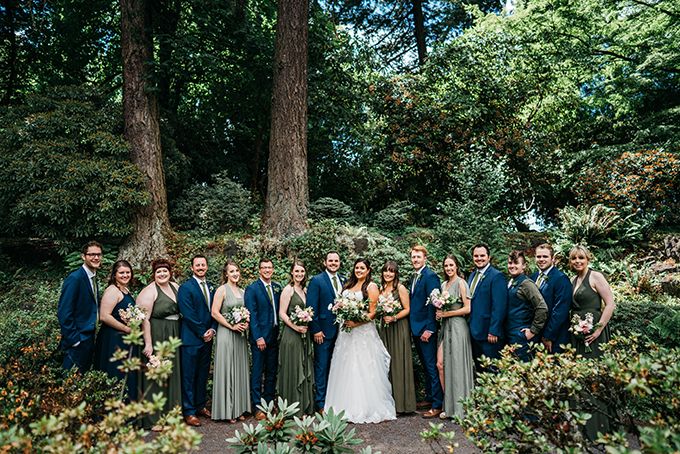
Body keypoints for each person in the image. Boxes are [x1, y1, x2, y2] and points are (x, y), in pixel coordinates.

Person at [324, 258, 396, 423]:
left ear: (368, 270)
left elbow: (373, 313)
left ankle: (365, 407)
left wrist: (356, 322)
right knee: (345, 366)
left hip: (362, 333)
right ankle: (343, 406)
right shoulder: (348, 285)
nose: (359, 270)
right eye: (357, 268)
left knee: (363, 367)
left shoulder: (371, 287)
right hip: (346, 334)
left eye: (362, 268)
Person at [569, 244, 616, 439]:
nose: (578, 261)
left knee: (595, 378)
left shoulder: (596, 277)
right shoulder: (573, 280)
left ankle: (601, 428)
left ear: (588, 259)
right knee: (580, 378)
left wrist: (598, 329)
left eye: (581, 258)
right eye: (574, 259)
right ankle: (584, 428)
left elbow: (610, 303)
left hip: (595, 335)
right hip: (578, 336)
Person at [137, 258, 182, 430]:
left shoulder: (176, 287)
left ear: (170, 272)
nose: (162, 274)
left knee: (172, 373)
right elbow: (144, 320)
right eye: (158, 272)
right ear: (154, 274)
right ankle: (154, 418)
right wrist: (148, 344)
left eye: (165, 271)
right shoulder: (149, 291)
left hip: (174, 333)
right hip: (157, 333)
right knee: (156, 375)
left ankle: (171, 415)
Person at [177, 255, 216, 427]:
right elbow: (188, 313)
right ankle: (189, 411)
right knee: (189, 375)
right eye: (197, 265)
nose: (200, 267)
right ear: (192, 268)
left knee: (202, 374)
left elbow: (216, 310)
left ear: (207, 267)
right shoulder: (185, 288)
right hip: (191, 339)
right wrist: (202, 332)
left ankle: (200, 405)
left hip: (208, 338)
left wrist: (213, 329)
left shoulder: (212, 287)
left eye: (203, 264)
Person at [210, 261, 250, 423]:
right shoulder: (222, 290)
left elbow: (246, 312)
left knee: (239, 368)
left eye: (237, 271)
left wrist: (246, 322)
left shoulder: (243, 291)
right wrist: (231, 326)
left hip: (240, 335)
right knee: (228, 368)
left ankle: (239, 408)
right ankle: (227, 410)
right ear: (226, 274)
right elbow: (214, 312)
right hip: (226, 333)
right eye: (231, 271)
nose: (235, 274)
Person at [93, 259, 138, 401]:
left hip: (123, 338)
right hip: (113, 338)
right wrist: (126, 328)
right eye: (121, 273)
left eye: (128, 272)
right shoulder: (112, 290)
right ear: (114, 274)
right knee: (115, 371)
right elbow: (104, 316)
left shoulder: (125, 289)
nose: (125, 275)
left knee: (125, 372)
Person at [435, 255, 474, 419]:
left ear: (456, 266)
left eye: (451, 265)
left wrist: (446, 313)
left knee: (457, 365)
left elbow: (467, 309)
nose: (448, 268)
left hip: (458, 326)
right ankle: (448, 405)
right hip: (446, 327)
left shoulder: (461, 283)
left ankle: (460, 408)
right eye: (446, 265)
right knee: (441, 364)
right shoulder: (443, 284)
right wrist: (439, 313)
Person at [408, 245, 443, 418]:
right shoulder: (414, 277)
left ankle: (437, 405)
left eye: (418, 257)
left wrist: (430, 328)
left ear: (425, 259)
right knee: (425, 366)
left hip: (426, 329)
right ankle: (429, 397)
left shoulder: (430, 276)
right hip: (415, 328)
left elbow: (434, 304)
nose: (415, 260)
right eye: (413, 257)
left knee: (431, 367)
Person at [377, 260, 416, 414]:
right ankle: (389, 403)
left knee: (399, 362)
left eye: (391, 271)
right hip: (385, 329)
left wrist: (394, 317)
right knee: (386, 363)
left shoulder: (400, 288)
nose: (388, 274)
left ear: (395, 273)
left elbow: (407, 309)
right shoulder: (380, 288)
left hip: (398, 327)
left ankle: (402, 404)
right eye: (386, 271)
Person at [244, 258, 281, 420]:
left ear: (273, 269)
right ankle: (258, 407)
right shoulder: (252, 289)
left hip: (274, 336)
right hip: (260, 338)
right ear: (259, 270)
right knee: (258, 372)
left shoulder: (277, 287)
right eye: (264, 268)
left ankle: (268, 404)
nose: (267, 270)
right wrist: (258, 336)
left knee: (272, 372)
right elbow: (252, 314)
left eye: (270, 267)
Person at [57, 240, 102, 372]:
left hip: (89, 339)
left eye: (99, 254)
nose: (96, 257)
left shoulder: (93, 277)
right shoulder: (75, 278)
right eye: (92, 254)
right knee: (70, 381)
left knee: (81, 381)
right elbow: (64, 312)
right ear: (83, 256)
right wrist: (75, 340)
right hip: (78, 340)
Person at [306, 251, 342, 412]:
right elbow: (311, 307)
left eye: (336, 261)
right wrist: (316, 330)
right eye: (331, 260)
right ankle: (321, 404)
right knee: (322, 367)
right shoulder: (317, 280)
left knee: (338, 368)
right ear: (325, 262)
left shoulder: (344, 280)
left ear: (339, 263)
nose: (333, 263)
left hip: (342, 333)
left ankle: (335, 401)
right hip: (323, 333)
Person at [277, 261, 314, 415]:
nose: (299, 274)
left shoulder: (304, 290)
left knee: (303, 366)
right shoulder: (288, 290)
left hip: (304, 335)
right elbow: (282, 313)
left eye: (302, 271)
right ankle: (292, 407)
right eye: (297, 271)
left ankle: (303, 405)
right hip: (291, 335)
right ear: (291, 272)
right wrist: (295, 327)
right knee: (292, 367)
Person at [467, 243, 508, 372]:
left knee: (492, 370)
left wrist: (494, 330)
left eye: (482, 256)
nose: (479, 258)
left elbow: (500, 306)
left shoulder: (497, 276)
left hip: (489, 334)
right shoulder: (472, 276)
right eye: (476, 256)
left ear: (489, 257)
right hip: (474, 331)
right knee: (480, 370)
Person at [505, 250, 548, 362]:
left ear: (523, 266)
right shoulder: (511, 281)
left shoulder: (527, 284)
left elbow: (542, 307)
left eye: (516, 263)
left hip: (521, 334)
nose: (512, 266)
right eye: (510, 263)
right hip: (510, 332)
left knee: (522, 370)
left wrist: (533, 331)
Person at [531, 243, 572, 353]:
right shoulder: (533, 277)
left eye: (545, 256)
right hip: (535, 335)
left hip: (555, 337)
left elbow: (560, 311)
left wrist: (548, 336)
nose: (541, 259)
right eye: (538, 256)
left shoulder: (561, 279)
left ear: (552, 258)